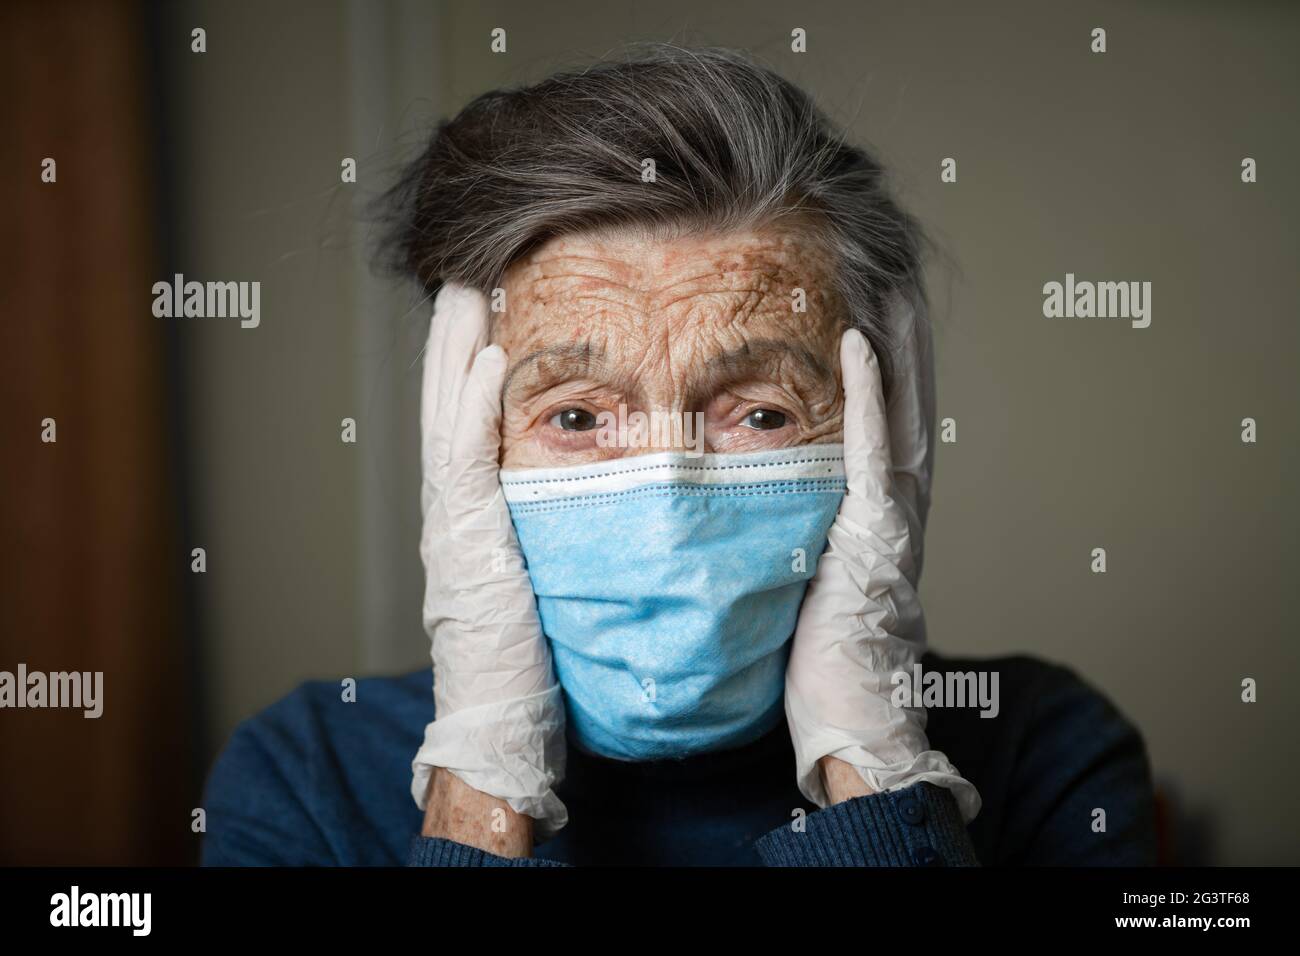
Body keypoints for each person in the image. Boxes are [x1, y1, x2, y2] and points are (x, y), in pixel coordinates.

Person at [201, 46, 1156, 867]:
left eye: (761, 414)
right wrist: (483, 783)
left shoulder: (1042, 749)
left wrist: (877, 770)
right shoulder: (308, 775)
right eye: (577, 418)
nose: (669, 506)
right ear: (465, 443)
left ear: (885, 432)